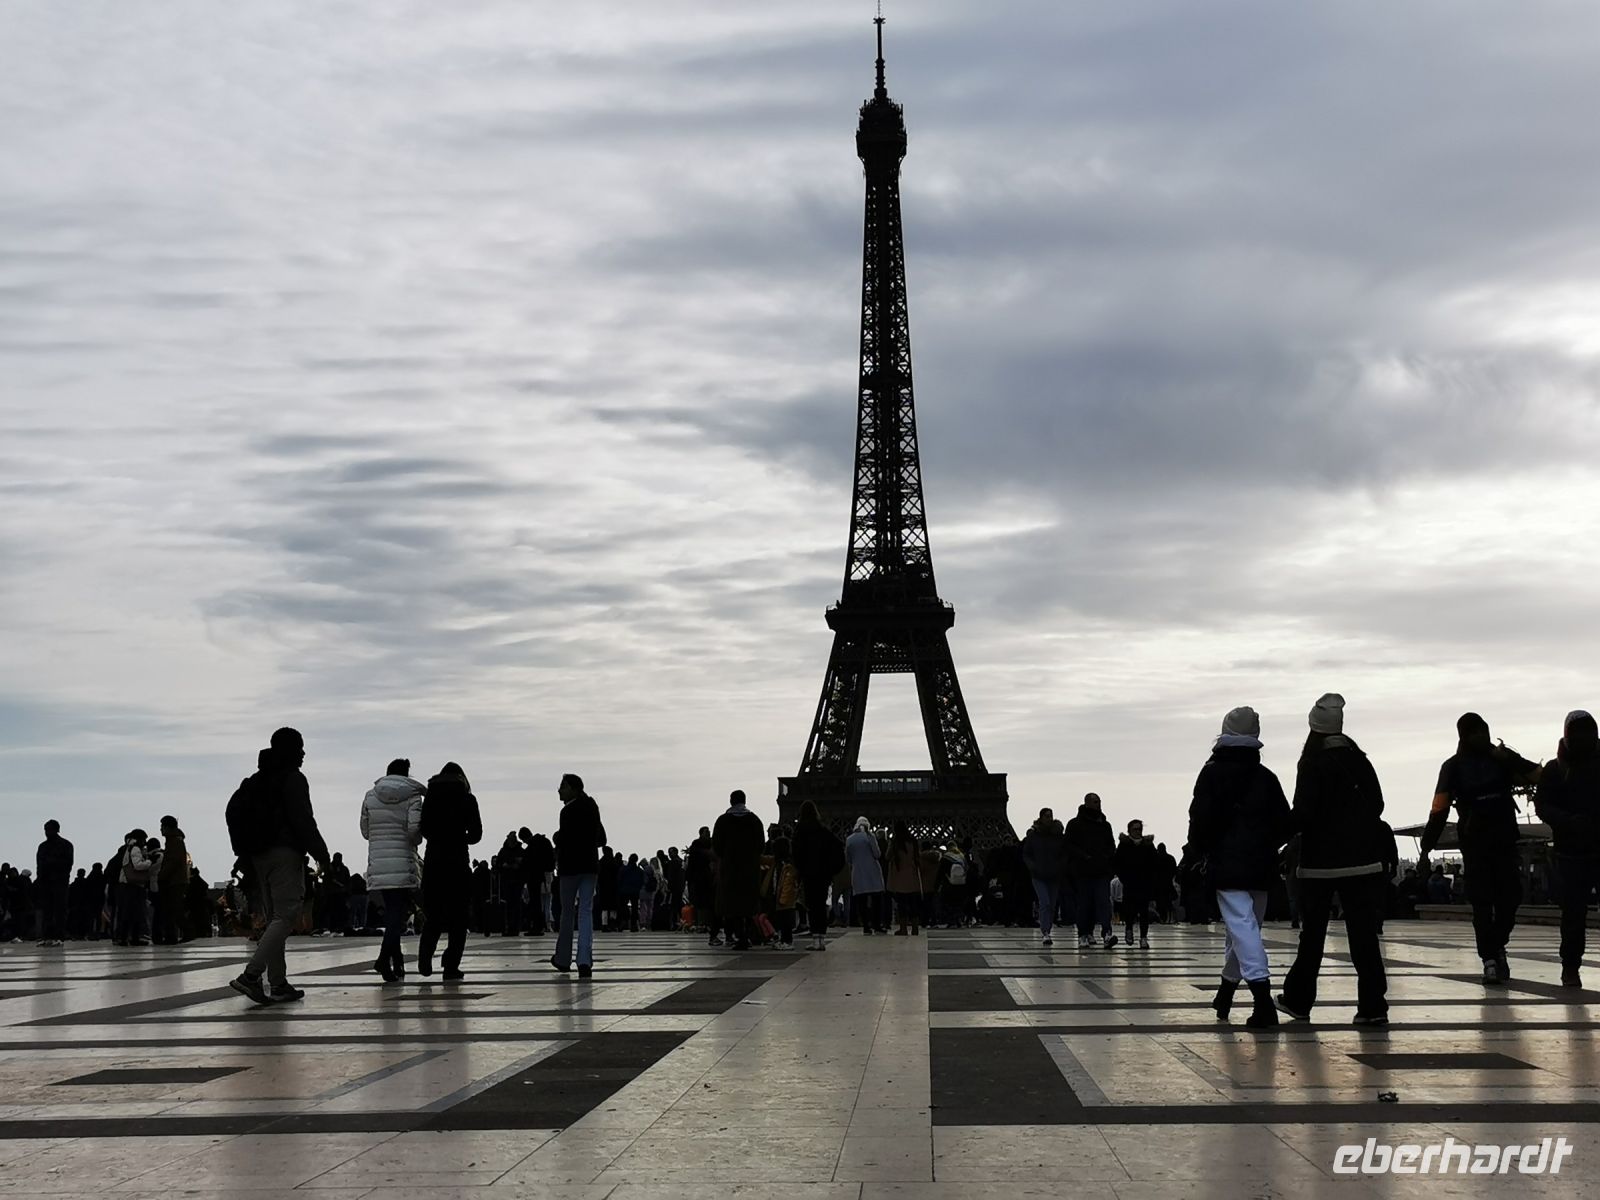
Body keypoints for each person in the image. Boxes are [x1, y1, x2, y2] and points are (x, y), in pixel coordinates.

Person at [1276, 693, 1391, 1026]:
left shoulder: (1311, 763)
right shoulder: (1360, 760)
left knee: (1312, 936)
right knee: (1364, 937)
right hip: (1364, 861)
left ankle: (1299, 999)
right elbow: (1378, 804)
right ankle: (1373, 1006)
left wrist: (1277, 835)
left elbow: (1303, 812)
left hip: (1320, 864)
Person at [1186, 705, 1291, 1028]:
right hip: (1261, 865)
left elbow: (1199, 819)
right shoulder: (1266, 777)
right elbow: (1284, 823)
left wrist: (1194, 854)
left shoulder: (1212, 772)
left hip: (1227, 863)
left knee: (1243, 929)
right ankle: (1226, 991)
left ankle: (1263, 1002)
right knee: (1246, 929)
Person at [1418, 712, 1542, 985]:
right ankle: (1489, 959)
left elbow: (1538, 776)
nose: (1483, 737)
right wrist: (1427, 846)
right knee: (1482, 905)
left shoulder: (1501, 759)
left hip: (1505, 841)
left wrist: (1509, 758)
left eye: (1485, 731)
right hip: (1475, 845)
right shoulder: (1452, 767)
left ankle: (1497, 945)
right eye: (1476, 732)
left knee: (1510, 900)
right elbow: (1439, 810)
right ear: (1464, 736)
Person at [228, 728, 332, 1004]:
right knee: (286, 917)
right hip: (284, 854)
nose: (303, 753)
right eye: (299, 748)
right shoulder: (293, 779)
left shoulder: (256, 781)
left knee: (276, 918)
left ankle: (278, 982)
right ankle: (251, 976)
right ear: (290, 750)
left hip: (258, 857)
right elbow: (303, 821)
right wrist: (322, 854)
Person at [1535, 710, 1600, 988]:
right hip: (1571, 853)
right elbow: (1543, 806)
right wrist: (1568, 821)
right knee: (1573, 914)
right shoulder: (1555, 768)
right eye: (1579, 733)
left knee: (1573, 913)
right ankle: (1570, 966)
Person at [361, 758, 425, 982]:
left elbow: (365, 831)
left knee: (393, 914)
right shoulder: (414, 796)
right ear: (407, 774)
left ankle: (395, 965)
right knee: (396, 917)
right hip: (403, 860)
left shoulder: (370, 795)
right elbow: (414, 831)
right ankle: (382, 960)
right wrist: (415, 843)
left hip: (379, 863)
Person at [416, 762, 482, 980]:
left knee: (434, 915)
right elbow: (476, 835)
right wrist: (458, 836)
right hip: (458, 862)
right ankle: (451, 966)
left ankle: (425, 957)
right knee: (458, 919)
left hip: (434, 860)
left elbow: (423, 829)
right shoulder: (468, 799)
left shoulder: (431, 798)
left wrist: (439, 836)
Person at [551, 774, 605, 976]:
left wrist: (557, 837)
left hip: (569, 868)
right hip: (589, 866)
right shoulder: (592, 808)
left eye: (563, 787)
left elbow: (564, 838)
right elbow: (600, 836)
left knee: (567, 913)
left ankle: (563, 958)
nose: (559, 790)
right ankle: (584, 960)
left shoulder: (567, 811)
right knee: (585, 912)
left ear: (574, 789)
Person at [713, 790, 765, 949]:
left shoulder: (722, 821)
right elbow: (761, 844)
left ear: (731, 801)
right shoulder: (755, 820)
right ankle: (747, 934)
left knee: (732, 904)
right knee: (749, 903)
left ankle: (739, 935)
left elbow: (717, 846)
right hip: (750, 868)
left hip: (730, 868)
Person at [1065, 793, 1118, 948]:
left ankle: (1106, 933)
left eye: (1099, 801)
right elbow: (1068, 845)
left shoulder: (1104, 825)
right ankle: (1083, 933)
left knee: (1103, 904)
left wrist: (1106, 858)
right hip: (1083, 871)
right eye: (1095, 802)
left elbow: (1111, 844)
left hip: (1101, 871)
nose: (1098, 804)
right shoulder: (1075, 824)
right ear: (1087, 803)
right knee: (1084, 905)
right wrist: (1083, 856)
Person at [792, 801, 844, 950]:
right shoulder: (824, 831)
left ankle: (815, 938)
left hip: (808, 874)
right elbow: (838, 848)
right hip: (823, 874)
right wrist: (832, 869)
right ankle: (821, 938)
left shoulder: (800, 831)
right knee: (821, 905)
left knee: (812, 906)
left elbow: (796, 853)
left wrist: (800, 870)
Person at [1023, 808, 1067, 946]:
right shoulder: (1034, 836)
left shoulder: (1057, 836)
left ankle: (1047, 929)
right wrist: (1033, 867)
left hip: (1053, 875)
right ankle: (1045, 932)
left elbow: (1064, 853)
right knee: (1045, 902)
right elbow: (1026, 854)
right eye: (1047, 816)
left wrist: (1060, 866)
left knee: (1051, 905)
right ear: (1041, 818)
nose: (1049, 818)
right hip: (1039, 875)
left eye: (1051, 816)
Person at [1114, 819, 1161, 949]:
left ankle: (1143, 937)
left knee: (1144, 912)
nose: (1138, 831)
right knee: (1129, 910)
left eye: (1139, 829)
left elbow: (1155, 863)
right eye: (1135, 829)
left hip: (1144, 883)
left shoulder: (1148, 845)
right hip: (1129, 883)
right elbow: (1117, 863)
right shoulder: (1124, 845)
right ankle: (1129, 929)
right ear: (1129, 830)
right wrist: (1124, 877)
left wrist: (1151, 879)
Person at [845, 817, 888, 934]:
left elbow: (848, 858)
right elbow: (877, 854)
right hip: (872, 871)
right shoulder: (870, 836)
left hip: (857, 872)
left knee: (861, 902)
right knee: (876, 900)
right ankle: (877, 925)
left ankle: (866, 926)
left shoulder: (849, 839)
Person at [35, 820, 73, 947]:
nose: (47, 832)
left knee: (59, 911)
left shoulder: (66, 845)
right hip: (45, 883)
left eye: (49, 829)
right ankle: (47, 936)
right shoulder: (43, 846)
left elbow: (67, 864)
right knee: (47, 911)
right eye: (45, 830)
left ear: (56, 830)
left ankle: (59, 937)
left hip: (60, 883)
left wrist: (51, 864)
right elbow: (39, 865)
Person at [154, 817, 190, 943]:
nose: (160, 829)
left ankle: (186, 932)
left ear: (168, 828)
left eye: (162, 827)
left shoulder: (175, 841)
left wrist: (161, 876)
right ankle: (172, 936)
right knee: (171, 910)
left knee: (174, 909)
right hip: (174, 880)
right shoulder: (173, 841)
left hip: (175, 881)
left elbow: (172, 862)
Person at [115, 829, 153, 946]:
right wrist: (149, 862)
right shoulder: (136, 849)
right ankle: (134, 937)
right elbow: (137, 865)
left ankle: (124, 937)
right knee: (136, 912)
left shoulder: (128, 848)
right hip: (133, 885)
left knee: (127, 913)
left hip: (126, 884)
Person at [885, 821, 924, 936]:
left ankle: (903, 929)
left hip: (899, 877)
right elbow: (918, 858)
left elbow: (887, 856)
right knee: (913, 904)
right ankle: (915, 928)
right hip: (912, 876)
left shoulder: (896, 843)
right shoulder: (913, 842)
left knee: (902, 904)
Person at [686, 826, 719, 943]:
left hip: (708, 878)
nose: (708, 834)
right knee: (701, 903)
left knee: (709, 902)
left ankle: (708, 923)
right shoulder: (698, 845)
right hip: (699, 878)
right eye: (706, 832)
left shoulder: (710, 843)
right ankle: (702, 923)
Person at [618, 853, 644, 932]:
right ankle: (633, 925)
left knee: (623, 906)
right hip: (635, 891)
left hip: (624, 890)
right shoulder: (639, 871)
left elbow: (619, 879)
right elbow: (641, 881)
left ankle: (624, 921)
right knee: (635, 907)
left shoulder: (623, 869)